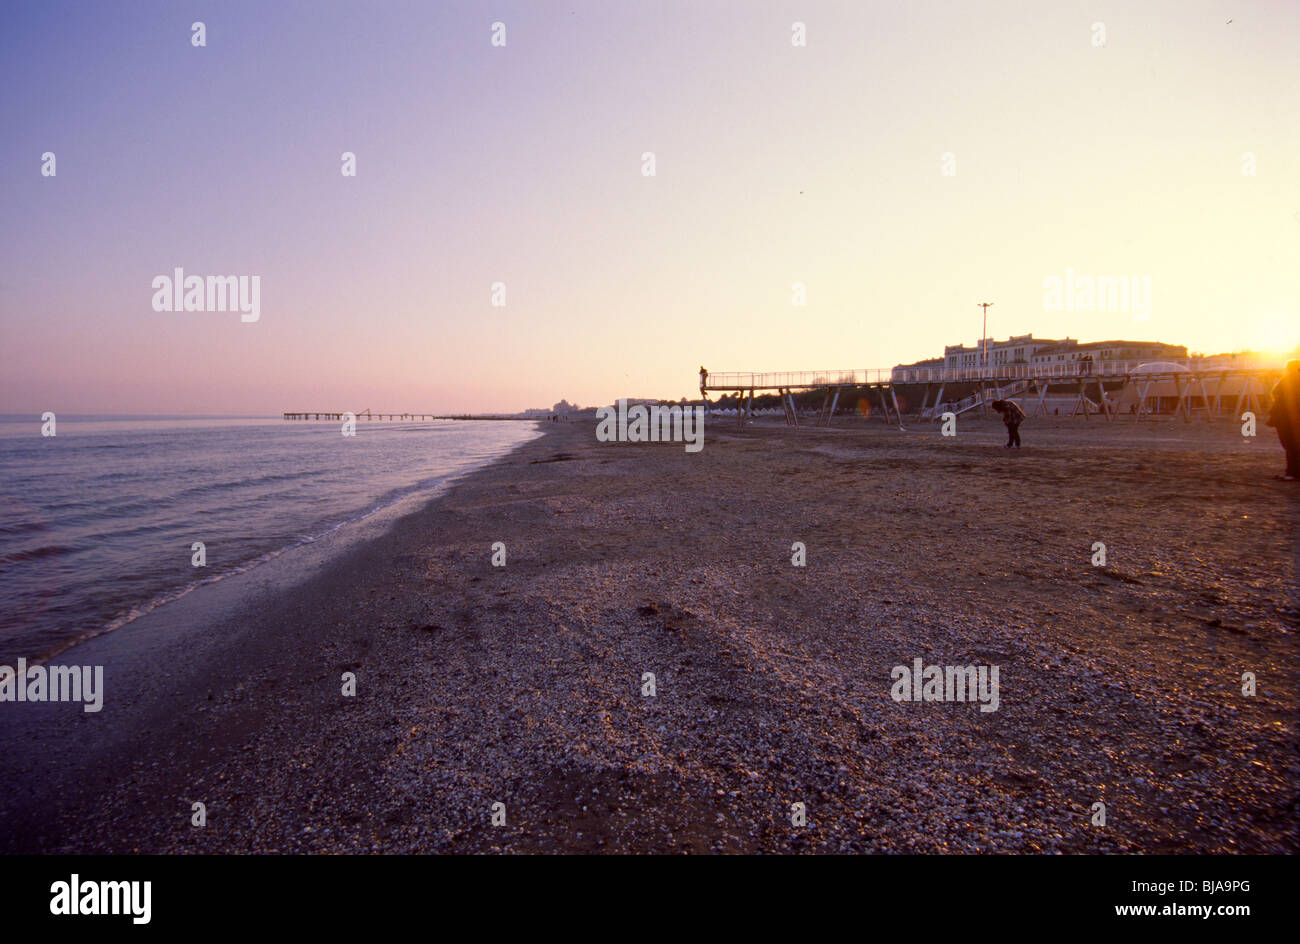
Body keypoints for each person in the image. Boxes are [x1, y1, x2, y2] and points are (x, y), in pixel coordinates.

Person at [1266, 360, 1300, 481]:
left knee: (1289, 445)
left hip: (1285, 419)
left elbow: (1276, 395)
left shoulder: (1287, 380)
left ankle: (1292, 473)